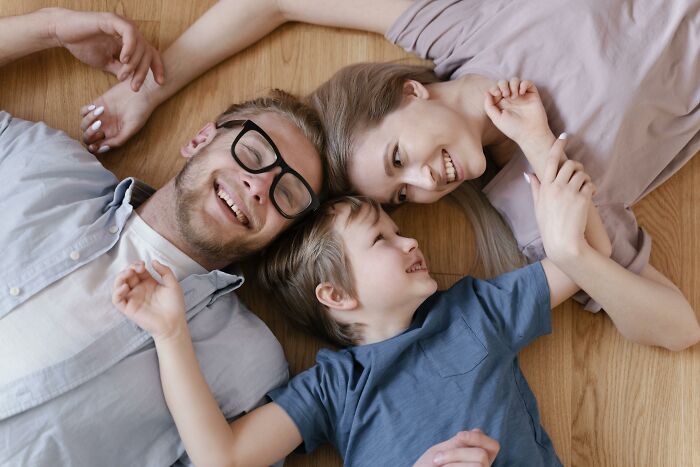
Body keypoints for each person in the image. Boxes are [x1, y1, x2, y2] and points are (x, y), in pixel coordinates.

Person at [0, 8, 501, 465]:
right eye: (254, 152)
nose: (259, 185)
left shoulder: (248, 365)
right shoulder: (45, 171)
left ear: (281, 234)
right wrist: (46, 29)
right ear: (200, 139)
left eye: (287, 192)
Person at [83, 0, 700, 350]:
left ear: (411, 93)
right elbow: (677, 327)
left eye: (399, 159)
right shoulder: (538, 197)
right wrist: (575, 253)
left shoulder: (458, 29)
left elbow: (274, 1)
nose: (430, 185)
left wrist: (148, 92)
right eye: (405, 193)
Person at [113, 140, 611, 466]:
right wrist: (171, 334)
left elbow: (587, 261)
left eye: (399, 232)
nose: (410, 243)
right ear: (337, 296)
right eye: (382, 240)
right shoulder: (335, 387)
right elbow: (222, 457)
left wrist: (545, 152)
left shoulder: (474, 312)